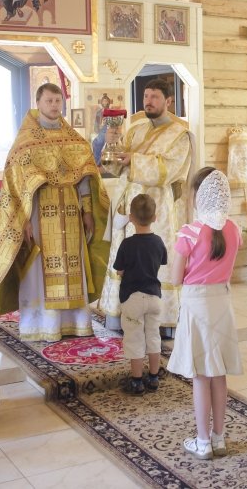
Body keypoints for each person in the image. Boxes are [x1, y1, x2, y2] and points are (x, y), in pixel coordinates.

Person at [0, 83, 110, 342]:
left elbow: (84, 178)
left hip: (71, 213)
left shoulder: (74, 140)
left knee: (73, 265)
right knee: (40, 268)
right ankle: (42, 324)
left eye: (57, 100)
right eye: (49, 101)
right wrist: (23, 220)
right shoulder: (25, 143)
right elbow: (17, 186)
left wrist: (88, 210)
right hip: (39, 213)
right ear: (38, 103)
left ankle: (76, 322)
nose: (54, 105)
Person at [97, 78, 193, 334]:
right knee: (126, 258)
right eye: (146, 96)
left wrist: (134, 160)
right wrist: (111, 145)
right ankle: (120, 314)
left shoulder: (180, 135)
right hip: (128, 207)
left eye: (154, 97)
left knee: (152, 261)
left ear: (168, 101)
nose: (148, 102)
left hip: (156, 211)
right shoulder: (136, 130)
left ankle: (160, 322)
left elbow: (169, 169)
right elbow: (117, 166)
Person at [166, 167, 242, 460]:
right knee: (218, 373)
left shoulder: (190, 232)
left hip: (197, 305)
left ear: (199, 195)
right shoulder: (234, 229)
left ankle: (202, 441)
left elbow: (175, 278)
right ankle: (219, 438)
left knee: (200, 375)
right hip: (222, 302)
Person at [113, 193, 167, 395]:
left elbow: (120, 270)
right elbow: (161, 262)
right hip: (154, 297)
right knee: (153, 336)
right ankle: (153, 378)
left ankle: (137, 381)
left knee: (134, 338)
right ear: (155, 217)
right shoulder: (158, 242)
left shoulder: (127, 244)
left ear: (131, 218)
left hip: (132, 297)